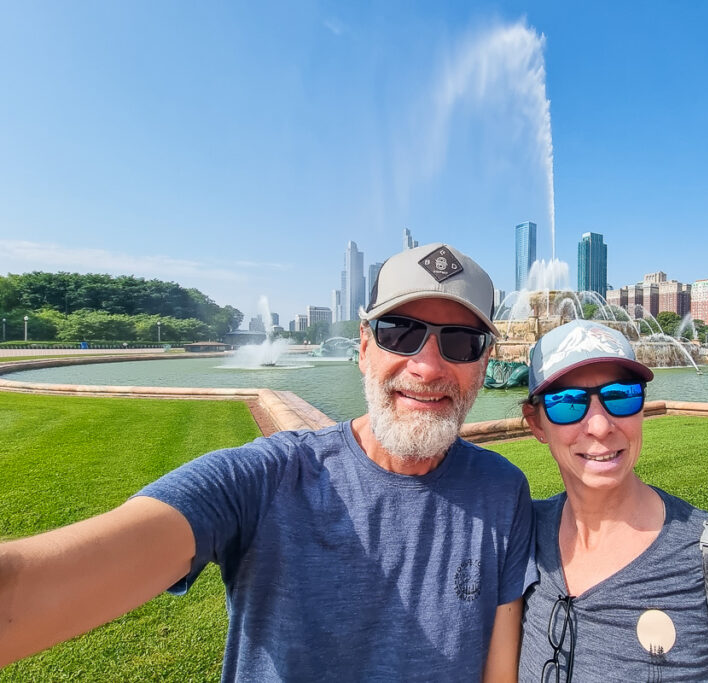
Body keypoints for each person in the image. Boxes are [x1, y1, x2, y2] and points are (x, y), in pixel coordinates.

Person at [0, 243, 536, 681]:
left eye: (462, 342)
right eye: (401, 332)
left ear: (485, 359)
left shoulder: (501, 488)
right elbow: (31, 588)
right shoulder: (267, 480)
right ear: (364, 345)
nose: (427, 365)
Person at [517, 320, 708, 682]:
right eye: (567, 403)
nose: (601, 426)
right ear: (536, 423)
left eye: (621, 396)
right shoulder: (522, 535)